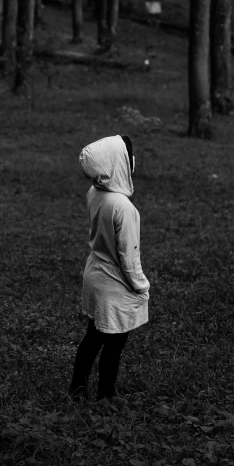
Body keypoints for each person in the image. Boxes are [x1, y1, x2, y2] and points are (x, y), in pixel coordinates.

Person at [69, 134, 150, 402]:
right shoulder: (123, 207)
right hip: (115, 283)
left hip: (95, 274)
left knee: (93, 337)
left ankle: (77, 388)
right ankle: (106, 399)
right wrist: (141, 286)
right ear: (118, 163)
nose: (133, 160)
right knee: (114, 344)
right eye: (129, 156)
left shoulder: (95, 192)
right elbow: (129, 256)